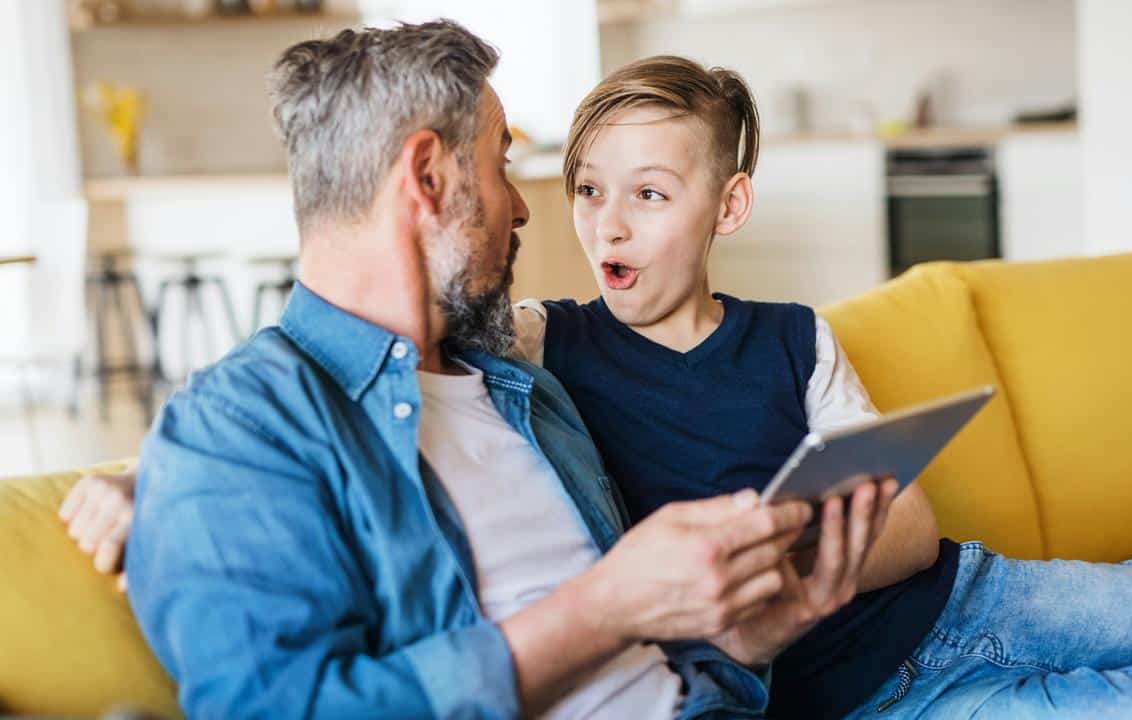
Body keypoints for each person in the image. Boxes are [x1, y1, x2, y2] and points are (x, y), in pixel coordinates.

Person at [65, 35, 1132, 720]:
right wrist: (149, 485)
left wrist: (765, 576)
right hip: (826, 683)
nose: (549, 214)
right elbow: (277, 431)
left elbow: (879, 539)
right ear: (431, 181)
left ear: (724, 206)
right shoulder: (518, 352)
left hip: (915, 615)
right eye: (532, 175)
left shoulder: (515, 375)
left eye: (643, 193)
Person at [63, 21, 898, 719]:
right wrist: (607, 604)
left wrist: (744, 640)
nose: (527, 204)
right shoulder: (241, 428)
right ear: (428, 178)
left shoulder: (525, 384)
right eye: (502, 164)